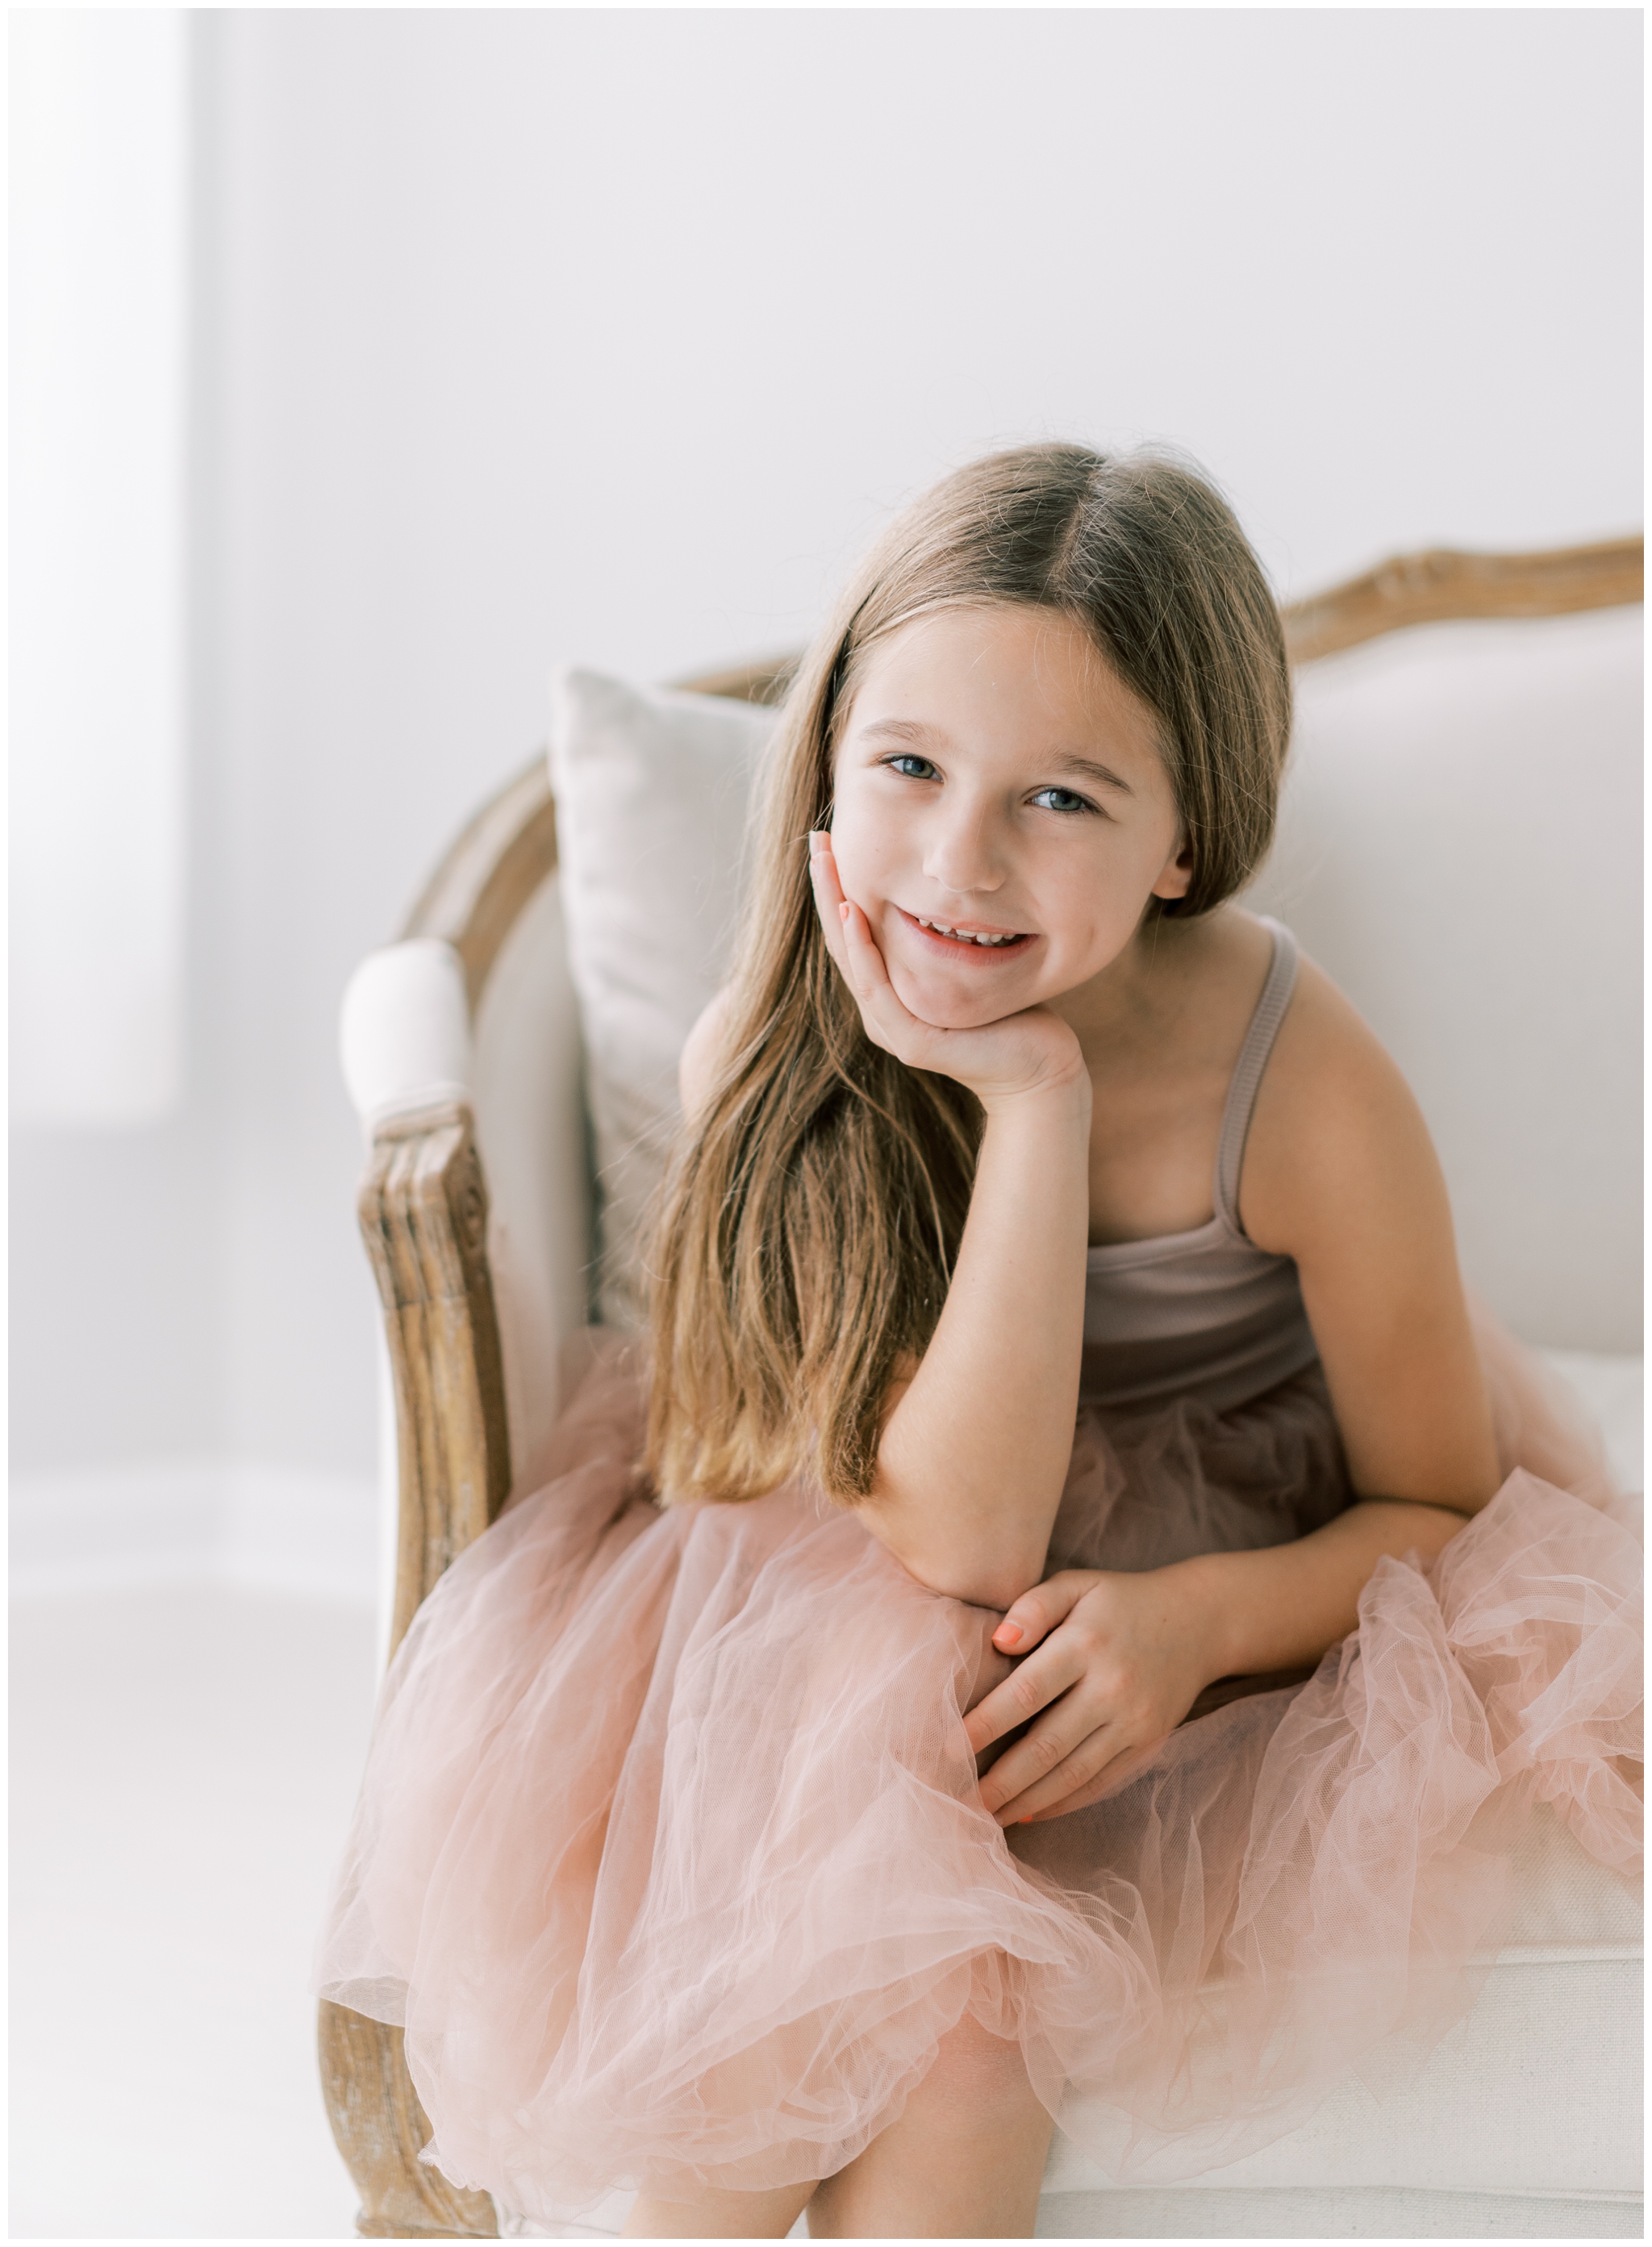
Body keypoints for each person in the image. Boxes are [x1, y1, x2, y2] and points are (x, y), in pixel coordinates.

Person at [315, 445, 1641, 2241]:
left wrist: (1193, 1622)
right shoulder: (766, 1057)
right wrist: (1030, 1104)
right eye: (911, 768)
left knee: (957, 2029)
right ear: (831, 758)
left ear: (1183, 839)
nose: (957, 862)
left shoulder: (1300, 1081)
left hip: (1216, 1560)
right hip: (878, 1550)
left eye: (1063, 800)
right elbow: (956, 1540)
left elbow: (1448, 1517)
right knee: (824, 1960)